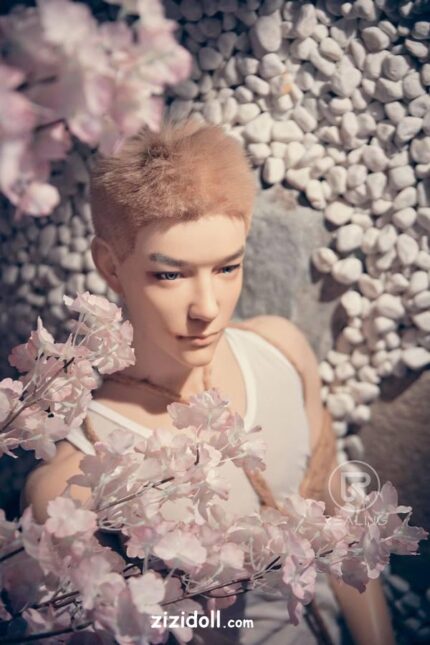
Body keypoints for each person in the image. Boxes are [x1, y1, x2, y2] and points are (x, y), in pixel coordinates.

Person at [22, 118, 396, 644]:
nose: (207, 308)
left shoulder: (281, 351)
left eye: (227, 268)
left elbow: (343, 524)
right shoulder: (76, 480)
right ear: (110, 266)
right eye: (170, 274)